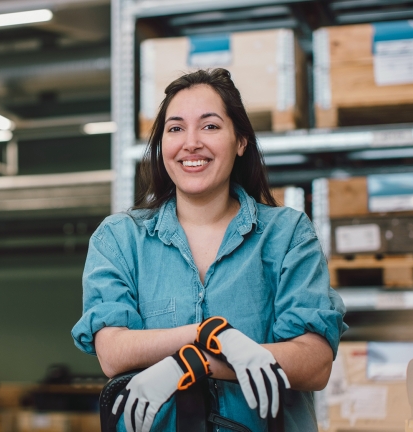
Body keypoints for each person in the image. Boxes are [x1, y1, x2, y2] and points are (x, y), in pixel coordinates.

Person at [71, 68, 347, 432]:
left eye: (210, 126)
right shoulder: (120, 239)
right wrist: (210, 334)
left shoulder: (287, 235)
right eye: (175, 128)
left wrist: (194, 364)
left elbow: (314, 362)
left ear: (241, 141)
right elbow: (113, 350)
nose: (191, 143)